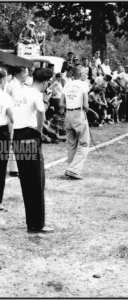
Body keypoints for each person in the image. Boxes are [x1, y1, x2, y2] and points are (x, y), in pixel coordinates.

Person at [12, 68, 54, 233]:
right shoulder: (37, 95)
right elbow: (41, 113)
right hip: (30, 135)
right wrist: (39, 130)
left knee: (26, 181)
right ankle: (37, 224)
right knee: (36, 181)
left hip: (17, 136)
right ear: (45, 82)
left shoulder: (20, 92)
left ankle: (32, 222)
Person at [60, 65, 90, 180]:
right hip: (79, 114)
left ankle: (71, 168)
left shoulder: (67, 85)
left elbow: (61, 104)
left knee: (71, 144)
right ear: (81, 74)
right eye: (85, 73)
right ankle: (73, 169)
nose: (86, 75)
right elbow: (86, 105)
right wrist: (86, 109)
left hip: (68, 114)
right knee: (83, 143)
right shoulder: (83, 84)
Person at [0, 69, 14, 212]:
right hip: (1, 131)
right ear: (2, 81)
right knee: (1, 167)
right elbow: (12, 118)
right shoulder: (5, 97)